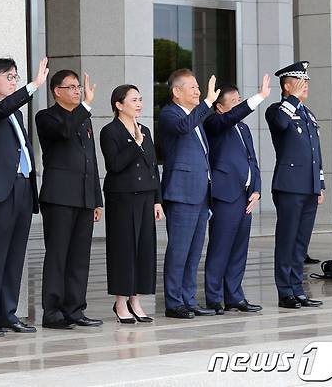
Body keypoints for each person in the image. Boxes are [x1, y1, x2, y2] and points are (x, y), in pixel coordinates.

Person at [0, 57, 48, 337]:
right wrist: (32, 86)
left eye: (17, 77)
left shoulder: (14, 112)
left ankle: (8, 314)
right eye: (10, 76)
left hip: (22, 187)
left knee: (15, 255)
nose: (14, 81)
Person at [35, 70, 103, 329]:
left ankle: (75, 309)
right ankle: (52, 312)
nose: (78, 91)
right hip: (59, 197)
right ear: (56, 91)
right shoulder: (46, 117)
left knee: (79, 256)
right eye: (72, 87)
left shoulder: (84, 120)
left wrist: (96, 199)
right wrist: (85, 105)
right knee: (57, 255)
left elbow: (91, 160)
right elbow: (64, 131)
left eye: (78, 87)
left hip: (84, 196)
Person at [202, 76, 270, 314]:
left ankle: (234, 296)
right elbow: (231, 117)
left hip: (245, 197)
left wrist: (257, 189)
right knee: (220, 247)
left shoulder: (243, 128)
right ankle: (213, 297)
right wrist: (258, 97)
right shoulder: (213, 123)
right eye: (234, 101)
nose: (239, 105)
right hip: (225, 195)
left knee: (239, 250)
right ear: (220, 106)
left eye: (241, 100)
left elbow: (253, 160)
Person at [158, 69, 219, 319]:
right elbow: (184, 128)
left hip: (201, 192)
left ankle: (189, 299)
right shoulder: (170, 114)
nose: (197, 91)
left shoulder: (196, 118)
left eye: (197, 87)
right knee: (179, 250)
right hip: (181, 192)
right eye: (192, 87)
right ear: (176, 92)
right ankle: (174, 302)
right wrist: (207, 103)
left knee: (194, 251)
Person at [100, 84, 163, 323]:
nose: (139, 104)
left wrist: (157, 200)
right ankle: (120, 301)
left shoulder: (144, 129)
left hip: (146, 197)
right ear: (119, 104)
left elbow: (152, 168)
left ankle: (135, 299)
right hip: (122, 198)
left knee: (144, 249)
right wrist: (135, 143)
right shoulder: (110, 131)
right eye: (134, 100)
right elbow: (114, 165)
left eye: (140, 99)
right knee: (123, 249)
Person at [265, 61, 324, 309]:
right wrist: (292, 99)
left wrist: (320, 183)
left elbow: (315, 152)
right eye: (301, 81)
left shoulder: (307, 113)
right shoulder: (278, 109)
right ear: (288, 85)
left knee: (301, 242)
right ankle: (285, 291)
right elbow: (280, 123)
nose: (306, 85)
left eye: (306, 81)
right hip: (289, 186)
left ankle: (298, 288)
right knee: (287, 239)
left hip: (308, 186)